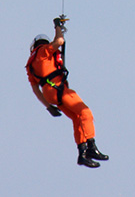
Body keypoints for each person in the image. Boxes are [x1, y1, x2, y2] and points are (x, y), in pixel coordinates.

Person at [26, 17, 109, 168]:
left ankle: (82, 153)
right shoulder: (44, 51)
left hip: (50, 94)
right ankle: (91, 147)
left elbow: (35, 89)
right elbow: (59, 42)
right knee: (85, 113)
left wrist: (49, 107)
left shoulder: (31, 64)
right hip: (59, 89)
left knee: (77, 118)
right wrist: (58, 26)